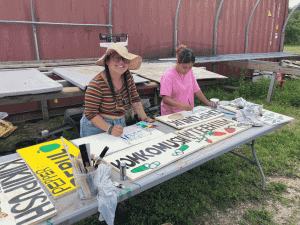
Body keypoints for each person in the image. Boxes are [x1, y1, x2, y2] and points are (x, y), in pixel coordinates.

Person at [80, 43, 155, 138]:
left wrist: (145, 118)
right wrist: (110, 128)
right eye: (116, 58)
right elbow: (90, 113)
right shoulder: (97, 83)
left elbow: (135, 100)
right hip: (96, 126)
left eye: (125, 59)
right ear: (107, 61)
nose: (121, 62)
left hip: (120, 122)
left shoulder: (128, 77)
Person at [160, 45, 211, 116]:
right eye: (184, 67)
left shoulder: (190, 72)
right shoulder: (168, 76)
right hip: (171, 115)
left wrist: (207, 103)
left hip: (187, 113)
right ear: (177, 62)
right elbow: (165, 99)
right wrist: (182, 105)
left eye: (190, 67)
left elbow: (196, 89)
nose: (187, 70)